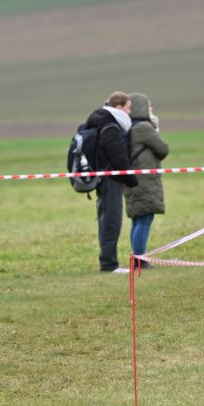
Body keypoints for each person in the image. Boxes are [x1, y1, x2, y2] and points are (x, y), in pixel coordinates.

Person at [82, 91, 138, 273]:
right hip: (109, 181)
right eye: (128, 108)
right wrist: (131, 180)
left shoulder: (103, 122)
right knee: (111, 223)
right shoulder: (111, 127)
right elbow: (118, 159)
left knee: (108, 221)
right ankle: (109, 264)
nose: (130, 112)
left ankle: (108, 262)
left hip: (104, 180)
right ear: (119, 107)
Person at [124, 93, 169, 269]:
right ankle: (140, 260)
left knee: (137, 220)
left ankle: (137, 258)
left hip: (133, 181)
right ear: (140, 107)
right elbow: (163, 149)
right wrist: (155, 129)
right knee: (144, 219)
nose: (151, 108)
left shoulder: (129, 127)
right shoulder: (144, 127)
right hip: (145, 182)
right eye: (148, 105)